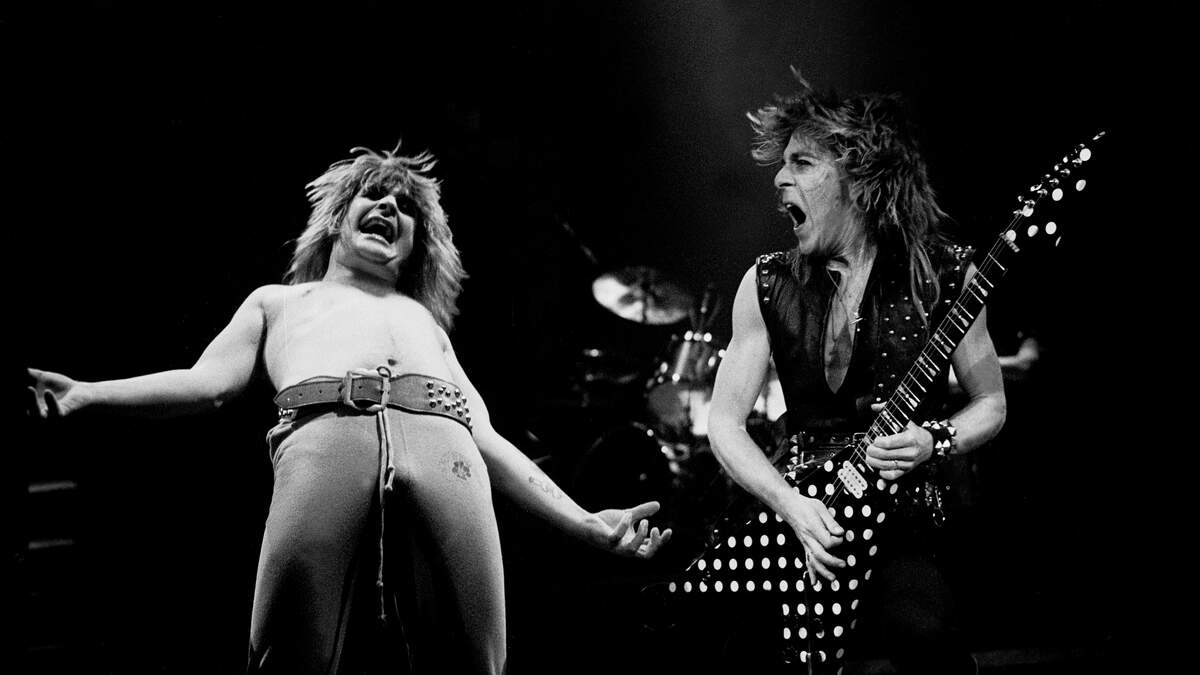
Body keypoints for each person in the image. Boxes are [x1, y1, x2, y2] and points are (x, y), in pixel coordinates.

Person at [26, 144, 671, 675]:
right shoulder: (278, 302)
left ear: (416, 246)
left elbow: (487, 436)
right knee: (286, 652)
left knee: (477, 659)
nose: (388, 206)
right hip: (322, 440)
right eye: (373, 195)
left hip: (446, 451)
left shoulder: (424, 322)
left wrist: (585, 521)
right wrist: (86, 393)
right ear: (337, 218)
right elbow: (204, 385)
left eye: (405, 207)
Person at [706, 73, 1006, 674]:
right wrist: (791, 507)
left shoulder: (944, 274)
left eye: (801, 162)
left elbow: (991, 402)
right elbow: (723, 423)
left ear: (858, 176)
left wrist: (935, 440)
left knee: (927, 640)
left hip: (901, 520)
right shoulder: (765, 282)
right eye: (782, 163)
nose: (780, 178)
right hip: (800, 514)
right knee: (741, 654)